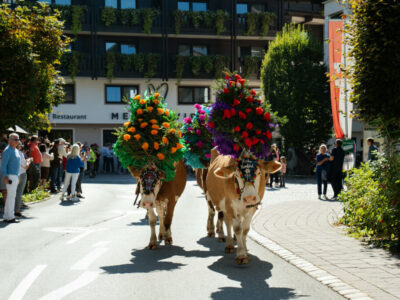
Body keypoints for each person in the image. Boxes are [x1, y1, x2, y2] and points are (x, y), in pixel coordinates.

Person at [1, 133, 21, 223]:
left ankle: (7, 216)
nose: (17, 141)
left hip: (15, 175)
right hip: (10, 175)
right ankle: (10, 216)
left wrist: (18, 176)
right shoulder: (7, 150)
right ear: (10, 140)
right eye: (15, 139)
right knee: (11, 196)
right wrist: (5, 176)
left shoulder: (15, 150)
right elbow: (3, 165)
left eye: (18, 139)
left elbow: (17, 165)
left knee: (11, 196)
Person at [15, 143, 32, 217]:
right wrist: (29, 160)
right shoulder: (20, 153)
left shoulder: (11, 152)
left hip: (14, 174)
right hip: (21, 173)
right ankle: (17, 210)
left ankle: (11, 210)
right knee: (19, 193)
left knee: (13, 193)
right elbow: (26, 166)